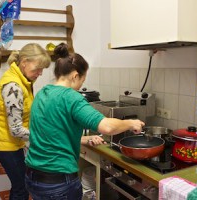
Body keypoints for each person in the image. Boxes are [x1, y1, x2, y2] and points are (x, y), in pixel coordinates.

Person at [24, 43, 145, 200]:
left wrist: (83, 139)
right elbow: (107, 127)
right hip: (58, 182)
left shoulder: (43, 93)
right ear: (75, 76)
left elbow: (49, 134)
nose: (81, 85)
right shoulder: (71, 97)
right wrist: (131, 123)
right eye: (82, 80)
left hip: (33, 178)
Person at [0, 43, 51, 200]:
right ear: (24, 62)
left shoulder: (22, 80)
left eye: (42, 69)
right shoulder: (13, 86)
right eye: (37, 69)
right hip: (5, 145)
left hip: (10, 143)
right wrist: (43, 137)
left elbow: (23, 113)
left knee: (20, 185)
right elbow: (15, 129)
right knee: (21, 188)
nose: (40, 73)